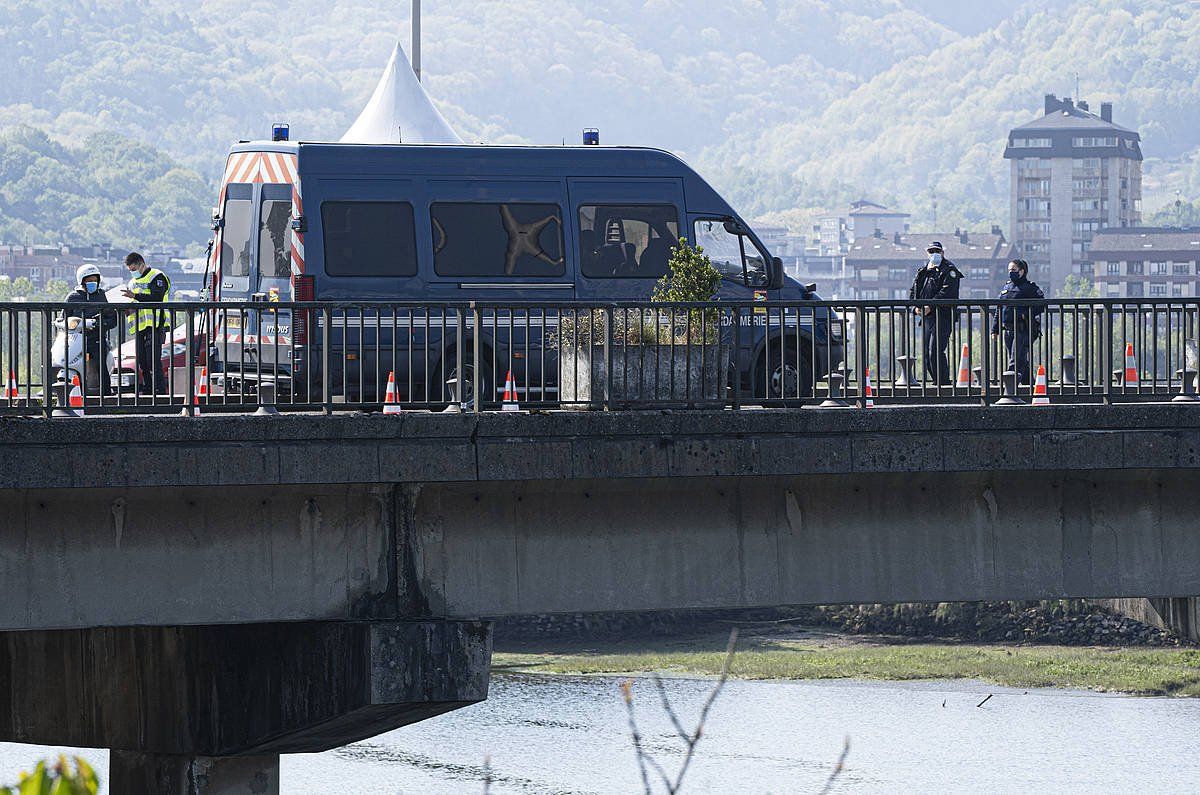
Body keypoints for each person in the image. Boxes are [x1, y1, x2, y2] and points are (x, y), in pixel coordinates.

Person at [909, 241, 963, 384]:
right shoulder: (923, 271)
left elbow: (947, 292)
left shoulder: (949, 270)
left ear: (942, 253)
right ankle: (936, 382)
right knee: (926, 354)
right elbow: (913, 291)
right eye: (931, 251)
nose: (934, 254)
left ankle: (943, 383)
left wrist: (930, 306)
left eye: (937, 251)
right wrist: (915, 307)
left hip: (943, 316)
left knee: (936, 351)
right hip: (926, 318)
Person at [120, 252, 172, 394]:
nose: (133, 273)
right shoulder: (132, 283)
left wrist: (135, 296)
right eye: (130, 270)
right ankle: (148, 390)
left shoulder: (157, 276)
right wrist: (128, 308)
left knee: (153, 361)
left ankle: (159, 391)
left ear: (141, 264)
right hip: (140, 327)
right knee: (142, 362)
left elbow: (157, 297)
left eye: (134, 269)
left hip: (155, 326)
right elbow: (134, 302)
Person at [64, 264, 117, 395]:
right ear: (82, 281)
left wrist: (100, 324)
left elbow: (113, 319)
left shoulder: (102, 296)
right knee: (75, 366)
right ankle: (77, 393)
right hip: (76, 339)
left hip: (97, 338)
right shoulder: (72, 297)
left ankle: (106, 394)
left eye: (95, 280)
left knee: (101, 365)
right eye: (89, 281)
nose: (92, 283)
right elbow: (64, 318)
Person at [991, 258, 1045, 385]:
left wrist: (1024, 314)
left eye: (1013, 270)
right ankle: (1029, 386)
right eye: (1009, 270)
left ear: (1021, 271)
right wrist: (995, 329)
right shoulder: (1007, 287)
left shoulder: (1029, 288)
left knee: (1014, 360)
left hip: (1022, 329)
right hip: (1008, 330)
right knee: (1020, 359)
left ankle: (1010, 389)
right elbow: (1000, 309)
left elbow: (1041, 304)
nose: (1011, 272)